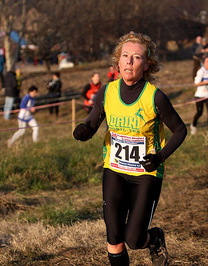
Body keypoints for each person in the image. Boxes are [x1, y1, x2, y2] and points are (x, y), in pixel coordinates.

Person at [73, 31, 187, 266]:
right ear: (118, 60)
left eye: (136, 57)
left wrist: (160, 156)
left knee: (134, 239)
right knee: (114, 236)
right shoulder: (107, 92)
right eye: (125, 55)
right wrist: (83, 132)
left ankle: (154, 239)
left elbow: (180, 130)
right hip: (114, 170)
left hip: (146, 174)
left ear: (147, 65)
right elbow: (91, 124)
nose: (129, 61)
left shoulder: (155, 98)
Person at [190, 55, 208, 137]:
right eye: (207, 61)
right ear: (204, 63)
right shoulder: (201, 72)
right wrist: (207, 81)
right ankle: (193, 125)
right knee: (199, 112)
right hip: (200, 95)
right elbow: (196, 83)